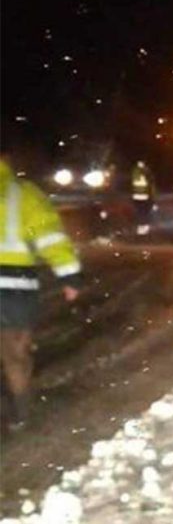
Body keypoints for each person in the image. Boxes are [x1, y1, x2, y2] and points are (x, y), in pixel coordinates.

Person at [1, 158, 81, 431]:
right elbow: (50, 237)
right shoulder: (23, 194)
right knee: (15, 354)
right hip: (16, 288)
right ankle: (21, 412)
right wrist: (69, 275)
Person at [130, 161, 156, 235]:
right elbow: (151, 185)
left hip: (136, 196)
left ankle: (139, 228)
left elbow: (131, 184)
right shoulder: (147, 172)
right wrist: (152, 197)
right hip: (144, 196)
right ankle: (144, 228)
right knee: (145, 212)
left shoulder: (134, 171)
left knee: (139, 212)